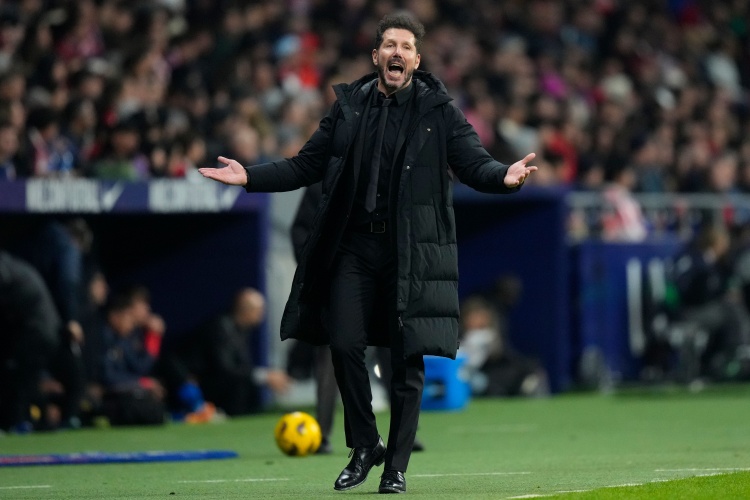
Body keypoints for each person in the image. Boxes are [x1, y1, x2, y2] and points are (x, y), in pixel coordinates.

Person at [199, 12, 537, 494]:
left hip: (410, 252)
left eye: (406, 46)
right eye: (390, 45)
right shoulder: (349, 106)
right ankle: (365, 444)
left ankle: (395, 467)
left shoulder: (438, 111)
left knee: (406, 360)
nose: (398, 52)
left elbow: (472, 162)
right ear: (376, 55)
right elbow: (306, 165)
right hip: (355, 247)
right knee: (342, 342)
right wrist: (250, 176)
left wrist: (504, 177)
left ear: (416, 60)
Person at [156, 287, 291, 417]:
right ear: (246, 310)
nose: (262, 314)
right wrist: (265, 377)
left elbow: (241, 367)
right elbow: (225, 370)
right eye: (259, 310)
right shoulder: (220, 328)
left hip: (204, 378)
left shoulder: (242, 330)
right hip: (184, 378)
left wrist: (264, 376)